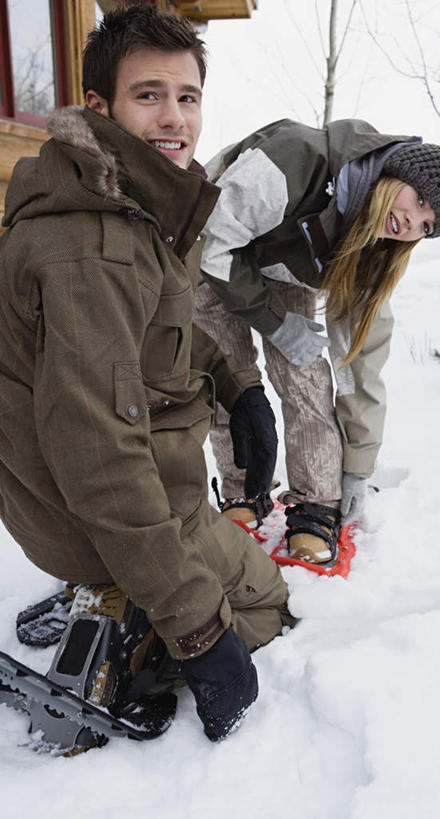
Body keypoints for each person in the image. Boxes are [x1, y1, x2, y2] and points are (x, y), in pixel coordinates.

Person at [0, 5, 292, 744]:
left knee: (242, 579)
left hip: (80, 490)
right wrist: (197, 629)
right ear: (98, 107)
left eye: (187, 96)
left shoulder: (127, 204)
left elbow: (149, 335)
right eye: (148, 94)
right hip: (94, 511)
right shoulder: (91, 244)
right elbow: (100, 454)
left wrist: (236, 383)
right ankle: (131, 621)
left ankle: (124, 591)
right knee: (262, 603)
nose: (174, 117)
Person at [194, 119, 440, 563]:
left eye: (426, 226)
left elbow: (362, 362)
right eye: (419, 200)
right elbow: (216, 242)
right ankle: (243, 491)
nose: (409, 223)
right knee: (229, 378)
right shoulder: (295, 159)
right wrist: (275, 322)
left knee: (306, 378)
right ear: (397, 171)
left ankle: (316, 503)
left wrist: (359, 468)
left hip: (282, 269)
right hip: (213, 251)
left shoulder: (376, 246)